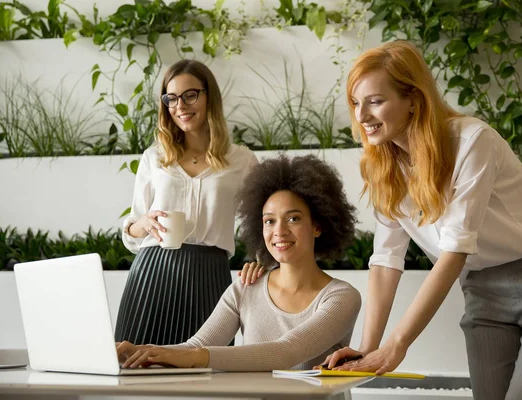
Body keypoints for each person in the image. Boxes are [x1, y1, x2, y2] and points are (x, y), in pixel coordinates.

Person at [322, 40, 522, 400]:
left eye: (375, 101)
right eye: (355, 103)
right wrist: (368, 346)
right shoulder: (384, 167)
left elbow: (455, 250)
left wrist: (398, 344)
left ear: (413, 100)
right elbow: (385, 260)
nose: (361, 115)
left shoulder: (473, 141)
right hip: (482, 292)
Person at [116, 155, 361, 371]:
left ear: (318, 226)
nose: (279, 231)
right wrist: (139, 351)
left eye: (293, 218)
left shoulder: (341, 297)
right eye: (269, 221)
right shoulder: (246, 287)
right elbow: (196, 346)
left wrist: (192, 355)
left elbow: (287, 352)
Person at [116, 59, 260, 346]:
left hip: (209, 277)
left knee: (209, 378)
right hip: (152, 274)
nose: (180, 106)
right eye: (171, 98)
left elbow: (261, 221)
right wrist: (143, 223)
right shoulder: (154, 157)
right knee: (136, 375)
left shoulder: (241, 160)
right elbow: (131, 233)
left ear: (210, 97)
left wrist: (261, 261)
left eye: (190, 95)